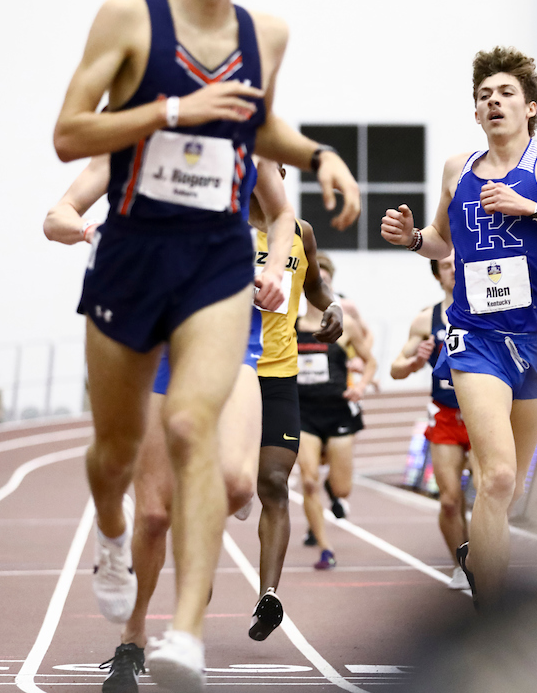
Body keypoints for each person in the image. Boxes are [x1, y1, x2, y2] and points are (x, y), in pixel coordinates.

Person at [51, 0, 358, 684]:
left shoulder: (265, 35)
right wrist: (174, 109)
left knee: (201, 438)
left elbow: (261, 131)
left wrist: (319, 154)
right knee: (118, 461)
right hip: (134, 260)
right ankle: (112, 535)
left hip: (217, 264)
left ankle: (182, 636)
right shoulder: (128, 19)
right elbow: (69, 134)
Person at [44, 156, 313, 692]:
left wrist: (275, 266)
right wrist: (88, 228)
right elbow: (57, 215)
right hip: (149, 328)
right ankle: (133, 635)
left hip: (224, 319)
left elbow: (283, 213)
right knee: (152, 514)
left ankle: (187, 628)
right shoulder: (133, 138)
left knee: (239, 483)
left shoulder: (243, 137)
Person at [380, 46, 537, 606]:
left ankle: (480, 553)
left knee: (502, 495)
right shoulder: (456, 168)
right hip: (474, 338)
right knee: (500, 478)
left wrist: (532, 209)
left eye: (506, 93)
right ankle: (487, 613)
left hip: (534, 343)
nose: (494, 102)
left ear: (531, 107)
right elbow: (442, 241)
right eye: (484, 95)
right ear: (475, 112)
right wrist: (414, 239)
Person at [250, 176, 343, 641]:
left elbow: (314, 290)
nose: (272, 178)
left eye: (280, 170)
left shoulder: (301, 232)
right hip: (227, 378)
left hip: (279, 377)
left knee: (273, 482)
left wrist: (334, 307)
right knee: (217, 487)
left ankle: (268, 595)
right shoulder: (221, 227)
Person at [390, 254, 476, 590]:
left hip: (483, 415)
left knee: (487, 492)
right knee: (450, 499)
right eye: (445, 265)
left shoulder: (487, 306)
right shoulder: (428, 319)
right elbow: (396, 368)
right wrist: (415, 361)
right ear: (437, 275)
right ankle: (462, 563)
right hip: (445, 416)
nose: (453, 268)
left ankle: (483, 562)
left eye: (458, 262)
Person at [295, 256, 377, 570]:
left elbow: (370, 361)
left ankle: (334, 490)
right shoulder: (291, 325)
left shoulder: (346, 325)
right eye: (313, 281)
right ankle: (325, 548)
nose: (319, 286)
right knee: (309, 480)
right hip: (304, 412)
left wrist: (361, 385)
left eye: (324, 281)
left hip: (339, 411)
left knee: (342, 488)